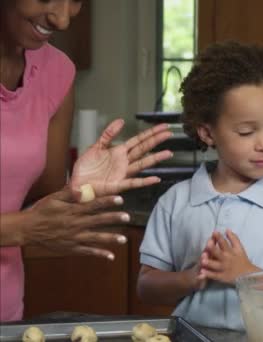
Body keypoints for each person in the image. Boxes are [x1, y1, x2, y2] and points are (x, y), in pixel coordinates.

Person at [136, 41, 263, 330]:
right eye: (246, 131)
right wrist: (189, 278)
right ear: (207, 132)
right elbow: (146, 286)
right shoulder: (175, 202)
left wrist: (248, 276)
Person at [1, 0, 172, 321]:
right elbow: (26, 226)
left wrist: (79, 190)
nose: (63, 19)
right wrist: (20, 229)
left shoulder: (56, 72)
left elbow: (41, 200)